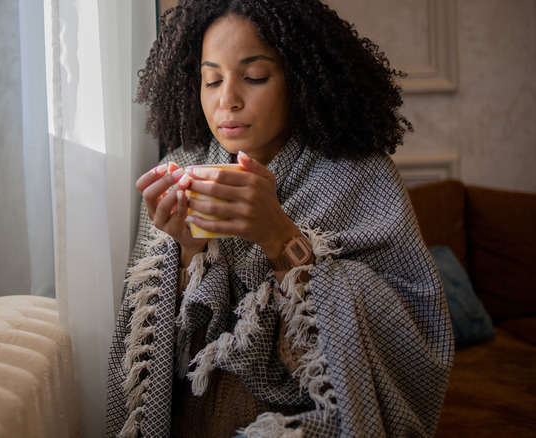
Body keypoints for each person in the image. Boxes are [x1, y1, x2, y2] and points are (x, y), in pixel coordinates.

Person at [105, 0, 454, 437]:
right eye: (211, 79)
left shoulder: (360, 174)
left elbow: (411, 330)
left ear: (299, 79)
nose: (227, 100)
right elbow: (152, 351)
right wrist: (187, 251)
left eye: (254, 77)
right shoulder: (180, 169)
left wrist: (278, 235)